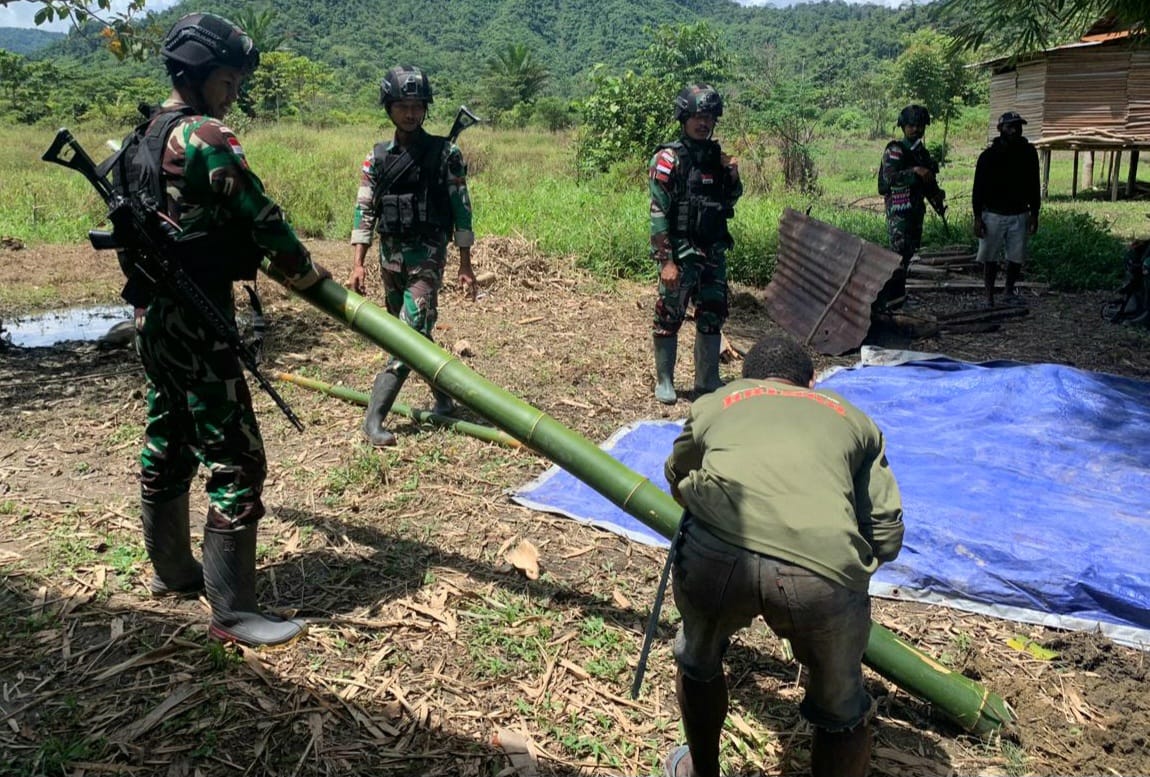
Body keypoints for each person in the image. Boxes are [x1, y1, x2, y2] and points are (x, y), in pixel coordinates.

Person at [132, 13, 330, 646]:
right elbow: (259, 216)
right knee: (236, 457)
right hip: (197, 315)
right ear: (200, 74)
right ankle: (235, 612)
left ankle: (171, 571)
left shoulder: (143, 135)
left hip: (151, 316)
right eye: (228, 79)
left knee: (167, 430)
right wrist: (304, 274)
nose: (233, 91)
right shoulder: (204, 136)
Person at [661, 335, 904, 777]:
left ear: (745, 378)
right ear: (811, 382)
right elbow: (886, 534)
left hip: (717, 553)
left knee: (697, 657)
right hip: (822, 569)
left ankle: (702, 770)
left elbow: (677, 473)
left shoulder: (720, 401)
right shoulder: (853, 417)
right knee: (842, 704)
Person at [348, 65, 476, 446]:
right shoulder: (376, 159)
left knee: (406, 336)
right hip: (390, 259)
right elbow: (364, 209)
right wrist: (357, 262)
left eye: (417, 106)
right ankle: (444, 399)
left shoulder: (445, 153)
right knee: (410, 333)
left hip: (427, 257)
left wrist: (466, 263)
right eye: (402, 105)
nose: (410, 113)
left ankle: (374, 419)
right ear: (389, 107)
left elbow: (461, 208)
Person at [649, 83, 742, 404]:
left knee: (713, 313)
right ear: (684, 117)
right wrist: (666, 261)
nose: (704, 123)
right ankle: (665, 381)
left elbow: (729, 200)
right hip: (681, 253)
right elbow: (658, 212)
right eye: (698, 116)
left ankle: (707, 379)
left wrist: (732, 177)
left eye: (710, 117)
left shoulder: (718, 158)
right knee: (668, 316)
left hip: (713, 251)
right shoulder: (668, 159)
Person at [877, 104, 945, 311]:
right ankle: (889, 301)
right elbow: (887, 182)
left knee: (907, 256)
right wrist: (915, 171)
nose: (915, 130)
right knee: (897, 257)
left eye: (920, 126)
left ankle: (899, 298)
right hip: (899, 213)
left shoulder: (921, 153)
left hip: (915, 212)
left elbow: (929, 184)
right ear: (903, 127)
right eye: (911, 125)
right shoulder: (896, 150)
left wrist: (937, 198)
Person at [972, 111, 1041, 307]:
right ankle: (988, 297)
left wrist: (1034, 213)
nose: (1014, 130)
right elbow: (977, 189)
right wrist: (978, 217)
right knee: (990, 258)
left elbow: (1034, 184)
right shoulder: (988, 156)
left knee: (1016, 256)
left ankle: (1009, 292)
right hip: (993, 213)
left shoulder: (1028, 153)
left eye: (1018, 126)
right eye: (1010, 126)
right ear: (1000, 129)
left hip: (1019, 213)